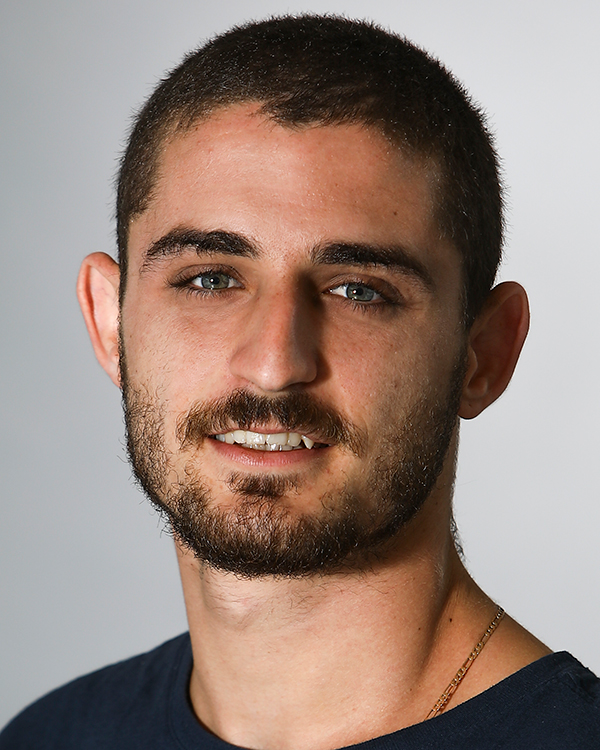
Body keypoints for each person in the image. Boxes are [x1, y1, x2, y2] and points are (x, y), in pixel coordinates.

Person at [2, 14, 599, 749]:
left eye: (359, 291)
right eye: (211, 279)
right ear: (111, 324)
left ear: (485, 352)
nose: (275, 364)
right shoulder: (50, 738)